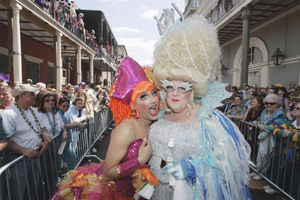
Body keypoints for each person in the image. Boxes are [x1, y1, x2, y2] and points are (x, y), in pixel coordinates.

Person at [149, 15, 251, 200]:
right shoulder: (158, 115)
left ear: (194, 88)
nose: (175, 93)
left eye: (183, 87)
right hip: (157, 192)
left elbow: (229, 165)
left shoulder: (210, 120)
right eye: (169, 86)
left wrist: (192, 167)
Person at [55, 56, 160, 199]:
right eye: (143, 97)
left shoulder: (155, 124)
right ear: (132, 105)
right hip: (111, 190)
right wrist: (139, 161)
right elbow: (107, 172)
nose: (153, 99)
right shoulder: (127, 128)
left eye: (154, 93)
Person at [1, 84, 52, 199]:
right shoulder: (9, 114)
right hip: (18, 160)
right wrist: (22, 150)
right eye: (31, 94)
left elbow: (42, 127)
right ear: (22, 96)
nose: (35, 96)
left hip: (34, 157)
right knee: (18, 193)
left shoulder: (34, 111)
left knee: (32, 191)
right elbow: (5, 141)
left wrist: (45, 136)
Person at [252, 94, 286, 181]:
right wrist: (259, 124)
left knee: (273, 161)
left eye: (272, 103)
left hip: (276, 141)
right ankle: (261, 172)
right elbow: (258, 121)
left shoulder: (280, 113)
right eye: (266, 103)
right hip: (264, 138)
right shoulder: (264, 112)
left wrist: (264, 127)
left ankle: (272, 183)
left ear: (277, 104)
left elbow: (277, 125)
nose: (268, 105)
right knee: (262, 156)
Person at [273, 101, 300, 199]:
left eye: (298, 108)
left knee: (297, 181)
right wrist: (283, 134)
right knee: (290, 179)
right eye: (294, 108)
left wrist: (290, 135)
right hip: (290, 156)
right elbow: (276, 129)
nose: (294, 110)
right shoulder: (290, 123)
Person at [57, 96, 85, 170]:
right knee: (71, 161)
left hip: (66, 142)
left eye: (67, 106)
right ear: (59, 105)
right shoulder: (58, 113)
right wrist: (77, 124)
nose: (66, 108)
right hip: (61, 142)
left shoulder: (64, 113)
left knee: (72, 161)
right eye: (64, 106)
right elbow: (63, 125)